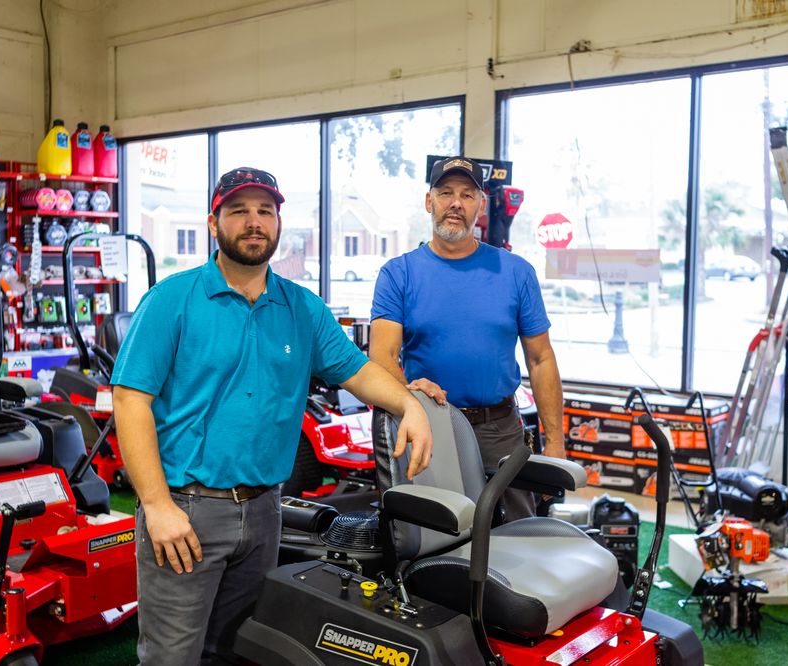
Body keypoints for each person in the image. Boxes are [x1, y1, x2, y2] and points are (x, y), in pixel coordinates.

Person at [111, 166, 433, 666]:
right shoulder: (171, 300)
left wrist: (407, 402)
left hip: (265, 511)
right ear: (213, 222)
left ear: (279, 223)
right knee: (171, 658)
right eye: (239, 210)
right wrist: (156, 505)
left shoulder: (301, 307)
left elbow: (356, 370)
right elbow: (130, 401)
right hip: (187, 510)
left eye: (265, 211)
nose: (254, 222)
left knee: (235, 650)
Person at [369, 155, 564, 521]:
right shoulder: (398, 274)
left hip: (500, 430)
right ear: (429, 201)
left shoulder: (517, 272)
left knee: (517, 533)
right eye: (445, 193)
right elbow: (382, 357)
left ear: (481, 206)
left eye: (467, 194)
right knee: (436, 532)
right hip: (431, 424)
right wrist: (410, 394)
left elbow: (541, 359)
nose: (456, 203)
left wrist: (554, 442)